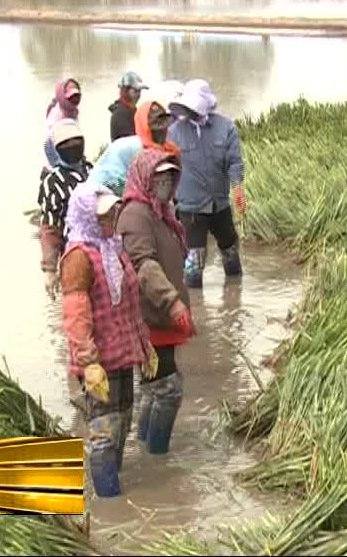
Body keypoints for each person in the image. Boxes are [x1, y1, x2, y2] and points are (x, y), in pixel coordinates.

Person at [61, 182, 151, 497]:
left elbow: (130, 301)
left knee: (124, 418)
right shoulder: (78, 257)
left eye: (112, 212)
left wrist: (145, 344)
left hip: (123, 353)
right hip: (100, 360)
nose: (110, 219)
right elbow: (76, 315)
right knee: (104, 429)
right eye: (103, 215)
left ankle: (114, 490)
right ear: (87, 217)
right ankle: (108, 500)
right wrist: (88, 363)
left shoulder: (113, 247)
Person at [116, 146, 195, 456]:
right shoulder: (136, 214)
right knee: (168, 389)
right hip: (150, 317)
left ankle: (148, 445)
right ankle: (159, 457)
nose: (165, 183)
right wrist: (172, 302)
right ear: (143, 178)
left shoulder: (159, 211)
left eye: (170, 176)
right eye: (158, 177)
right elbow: (144, 266)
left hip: (160, 315)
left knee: (153, 387)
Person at [167, 79, 247, 288]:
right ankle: (195, 304)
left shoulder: (226, 128)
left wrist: (238, 189)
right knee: (194, 261)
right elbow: (167, 167)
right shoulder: (174, 132)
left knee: (230, 251)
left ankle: (234, 293)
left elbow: (234, 163)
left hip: (219, 204)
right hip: (190, 208)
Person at [38, 119, 92, 300]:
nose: (73, 146)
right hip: (76, 256)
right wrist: (50, 270)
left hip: (105, 252)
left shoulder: (92, 170)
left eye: (77, 141)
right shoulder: (52, 183)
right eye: (66, 144)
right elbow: (51, 228)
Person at [44, 77, 82, 167]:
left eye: (77, 96)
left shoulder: (72, 111)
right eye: (71, 97)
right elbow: (47, 146)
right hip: (57, 168)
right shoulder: (57, 118)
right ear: (62, 97)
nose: (75, 99)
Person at [109, 71, 148, 142]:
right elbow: (133, 140)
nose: (138, 95)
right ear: (125, 91)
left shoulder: (130, 109)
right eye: (135, 91)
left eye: (140, 91)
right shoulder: (121, 113)